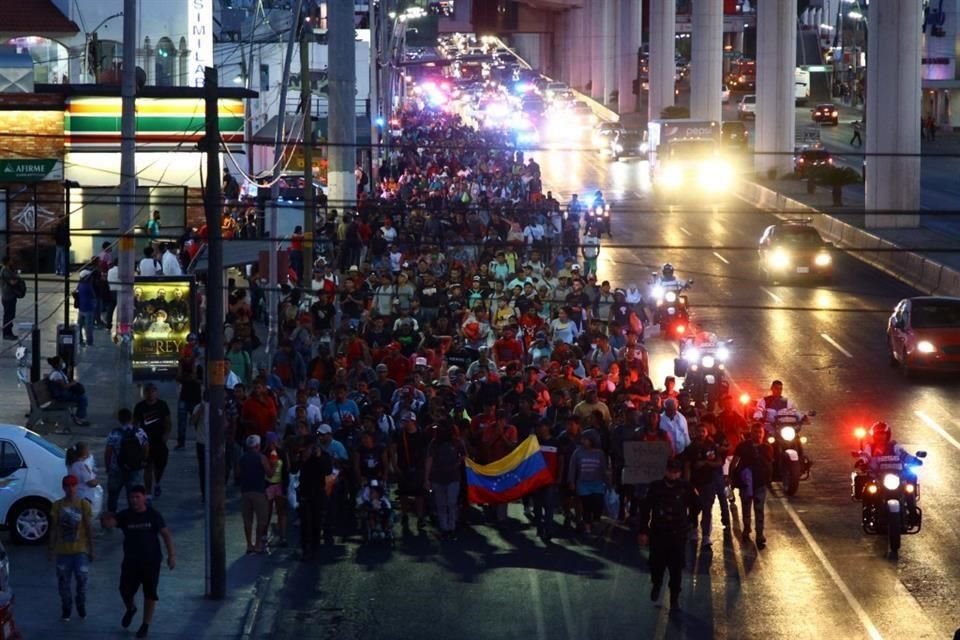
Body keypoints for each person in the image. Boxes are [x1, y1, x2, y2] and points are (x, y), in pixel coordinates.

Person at [101, 485, 176, 639]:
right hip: (131, 561)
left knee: (150, 593)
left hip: (151, 561)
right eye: (131, 497)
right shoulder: (125, 515)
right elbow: (109, 524)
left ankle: (145, 625)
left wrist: (171, 555)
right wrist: (104, 517)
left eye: (137, 497)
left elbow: (165, 534)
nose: (134, 500)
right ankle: (131, 608)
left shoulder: (153, 515)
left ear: (144, 498)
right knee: (124, 590)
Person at [637, 457, 698, 611]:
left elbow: (697, 505)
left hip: (677, 534)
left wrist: (691, 521)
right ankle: (657, 583)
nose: (673, 475)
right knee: (656, 565)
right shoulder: (656, 487)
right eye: (670, 471)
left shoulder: (686, 487)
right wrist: (644, 530)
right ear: (665, 471)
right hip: (659, 533)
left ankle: (674, 599)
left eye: (676, 472)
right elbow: (645, 510)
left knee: (676, 569)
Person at [49, 474, 95, 621]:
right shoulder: (57, 506)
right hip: (63, 552)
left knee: (82, 580)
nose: (70, 489)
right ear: (63, 488)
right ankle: (67, 608)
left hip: (80, 551)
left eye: (73, 485)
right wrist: (51, 548)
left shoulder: (83, 505)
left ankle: (81, 604)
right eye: (67, 486)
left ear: (77, 487)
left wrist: (91, 549)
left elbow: (88, 528)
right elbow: (54, 528)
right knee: (63, 584)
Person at [683, 421, 729, 546]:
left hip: (708, 482)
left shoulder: (711, 446)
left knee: (707, 508)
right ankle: (693, 529)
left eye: (703, 431)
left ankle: (706, 536)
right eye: (699, 431)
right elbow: (687, 466)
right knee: (694, 507)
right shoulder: (690, 448)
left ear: (707, 432)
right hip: (695, 483)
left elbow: (719, 462)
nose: (701, 433)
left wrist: (706, 463)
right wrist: (687, 484)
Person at [731, 423, 774, 549]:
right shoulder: (743, 446)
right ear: (751, 432)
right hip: (746, 484)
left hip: (760, 484)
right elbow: (734, 461)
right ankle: (747, 530)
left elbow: (769, 464)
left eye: (760, 432)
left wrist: (769, 480)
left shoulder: (767, 447)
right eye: (755, 432)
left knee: (759, 510)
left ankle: (759, 534)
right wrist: (731, 477)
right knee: (746, 508)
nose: (758, 434)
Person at [424, 421, 465, 539]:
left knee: (452, 503)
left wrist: (457, 463)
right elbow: (429, 460)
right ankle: (444, 528)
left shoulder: (457, 442)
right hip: (437, 478)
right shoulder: (434, 443)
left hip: (453, 478)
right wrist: (426, 479)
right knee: (441, 504)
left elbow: (463, 455)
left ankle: (452, 527)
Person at [297, 431, 335, 560]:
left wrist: (318, 457)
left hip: (318, 491)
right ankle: (306, 548)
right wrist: (304, 457)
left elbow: (328, 470)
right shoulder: (302, 454)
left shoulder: (323, 455)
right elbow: (294, 468)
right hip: (305, 491)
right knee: (305, 522)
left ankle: (316, 548)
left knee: (317, 521)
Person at [105, 408, 150, 513]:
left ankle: (111, 517)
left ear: (119, 419)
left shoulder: (114, 433)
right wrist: (143, 460)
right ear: (131, 418)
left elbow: (108, 452)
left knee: (113, 496)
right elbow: (146, 447)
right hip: (134, 469)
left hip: (116, 470)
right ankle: (133, 517)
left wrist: (108, 467)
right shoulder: (140, 432)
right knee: (134, 496)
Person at [134, 383, 172, 498]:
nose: (150, 394)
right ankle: (148, 493)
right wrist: (137, 438)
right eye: (148, 392)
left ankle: (158, 483)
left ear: (156, 393)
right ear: (144, 393)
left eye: (153, 392)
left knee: (160, 466)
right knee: (147, 467)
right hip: (146, 442)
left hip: (159, 440)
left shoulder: (162, 405)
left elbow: (168, 421)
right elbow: (135, 423)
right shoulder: (140, 406)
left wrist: (166, 434)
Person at [237, 434, 271, 554]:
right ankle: (257, 544)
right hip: (259, 492)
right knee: (262, 519)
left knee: (247, 520)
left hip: (245, 492)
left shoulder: (242, 458)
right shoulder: (261, 458)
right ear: (258, 445)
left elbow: (238, 474)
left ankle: (249, 545)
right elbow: (269, 473)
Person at [46, 356, 91, 426]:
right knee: (82, 398)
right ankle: (80, 418)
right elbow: (64, 386)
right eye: (61, 362)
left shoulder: (58, 372)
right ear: (58, 364)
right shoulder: (56, 374)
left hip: (62, 394)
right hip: (61, 396)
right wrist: (73, 383)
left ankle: (80, 417)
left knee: (82, 396)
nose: (63, 363)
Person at [1, 255, 23, 340]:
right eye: (11, 260)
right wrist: (18, 278)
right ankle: (6, 334)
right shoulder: (5, 270)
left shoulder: (9, 269)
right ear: (8, 261)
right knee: (8, 316)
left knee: (11, 315)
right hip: (7, 296)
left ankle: (9, 332)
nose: (12, 262)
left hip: (11, 296)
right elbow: (12, 282)